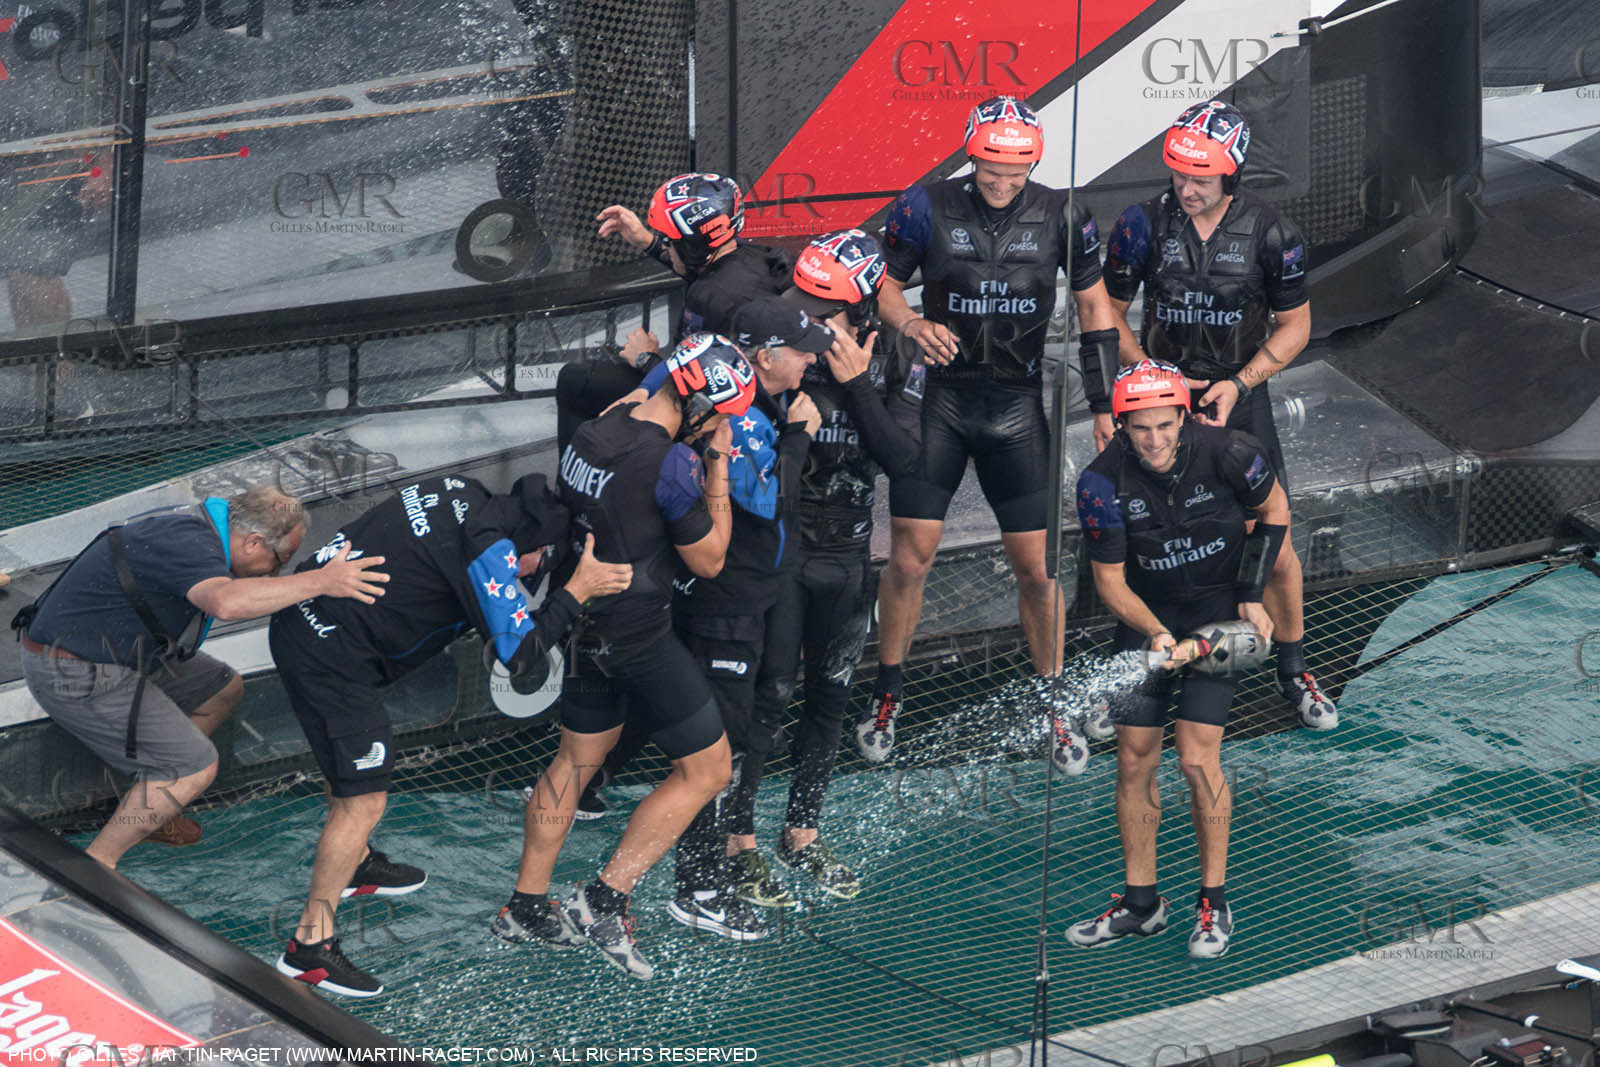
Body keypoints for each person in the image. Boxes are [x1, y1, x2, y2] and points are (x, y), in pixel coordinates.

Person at [267, 473, 629, 997]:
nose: (527, 579)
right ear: (531, 549)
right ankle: (308, 949)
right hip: (331, 658)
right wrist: (577, 591)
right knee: (363, 799)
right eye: (532, 567)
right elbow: (521, 655)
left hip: (309, 623)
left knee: (350, 768)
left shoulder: (464, 491)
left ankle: (356, 862)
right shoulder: (493, 555)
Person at [864, 95, 1129, 770]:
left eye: (1015, 172)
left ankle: (1055, 705)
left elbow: (1095, 305)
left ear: (1032, 161)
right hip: (940, 402)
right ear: (970, 153)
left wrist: (1104, 403)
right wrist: (910, 324)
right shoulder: (925, 205)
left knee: (1038, 572)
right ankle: (888, 695)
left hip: (1016, 407)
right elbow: (883, 286)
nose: (1002, 182)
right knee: (909, 557)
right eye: (990, 169)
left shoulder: (1065, 211)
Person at [495, 333, 756, 981]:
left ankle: (526, 904)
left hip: (582, 618)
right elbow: (711, 557)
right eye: (721, 414)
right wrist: (717, 463)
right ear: (698, 409)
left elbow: (649, 389)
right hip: (637, 635)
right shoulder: (673, 465)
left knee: (575, 759)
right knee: (709, 768)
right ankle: (604, 897)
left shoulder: (596, 427)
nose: (724, 425)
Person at [1101, 99, 1336, 732]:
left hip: (1237, 394)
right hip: (1159, 401)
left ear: (1230, 173)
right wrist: (1149, 382)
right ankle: (1115, 675)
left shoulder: (1273, 230)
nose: (1187, 189)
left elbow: (1295, 327)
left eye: (1200, 178)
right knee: (1121, 539)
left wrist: (1240, 381)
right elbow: (1107, 311)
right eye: (1178, 175)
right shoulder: (1141, 223)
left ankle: (1294, 669)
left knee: (1277, 538)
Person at [12, 487, 386, 869]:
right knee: (195, 767)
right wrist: (322, 582)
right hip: (72, 668)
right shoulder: (190, 544)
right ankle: (96, 866)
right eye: (278, 561)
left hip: (125, 652)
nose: (276, 574)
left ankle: (150, 802)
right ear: (253, 542)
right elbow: (226, 603)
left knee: (221, 688)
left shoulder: (202, 527)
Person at [1065, 360, 1288, 960]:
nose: (1155, 441)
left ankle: (1213, 901)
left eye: (1165, 426)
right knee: (1134, 760)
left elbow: (1276, 513)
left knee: (1195, 759)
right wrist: (1156, 634)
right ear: (1121, 426)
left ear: (1183, 417)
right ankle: (1142, 905)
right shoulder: (1099, 484)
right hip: (1147, 620)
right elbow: (1111, 583)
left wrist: (1250, 594)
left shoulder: (1233, 451)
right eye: (1141, 430)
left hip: (1220, 617)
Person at [728, 232, 924, 907]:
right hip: (782, 549)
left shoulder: (899, 355)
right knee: (770, 691)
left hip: (849, 553)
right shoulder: (784, 341)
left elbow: (905, 462)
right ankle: (740, 842)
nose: (807, 317)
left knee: (833, 695)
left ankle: (802, 833)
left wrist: (858, 386)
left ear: (865, 310)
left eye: (825, 309)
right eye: (804, 303)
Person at [647, 297, 823, 939]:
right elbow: (767, 497)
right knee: (711, 751)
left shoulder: (744, 394)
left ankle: (710, 870)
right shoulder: (741, 416)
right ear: (766, 357)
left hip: (749, 598)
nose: (812, 357)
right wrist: (799, 438)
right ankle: (696, 888)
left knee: (730, 738)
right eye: (802, 348)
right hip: (723, 606)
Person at [556, 172, 792, 452]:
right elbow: (701, 268)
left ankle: (574, 485)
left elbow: (703, 388)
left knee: (575, 380)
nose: (665, 244)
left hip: (722, 415)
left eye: (670, 240)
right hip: (747, 396)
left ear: (693, 246)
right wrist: (647, 242)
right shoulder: (751, 259)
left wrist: (646, 359)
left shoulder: (714, 298)